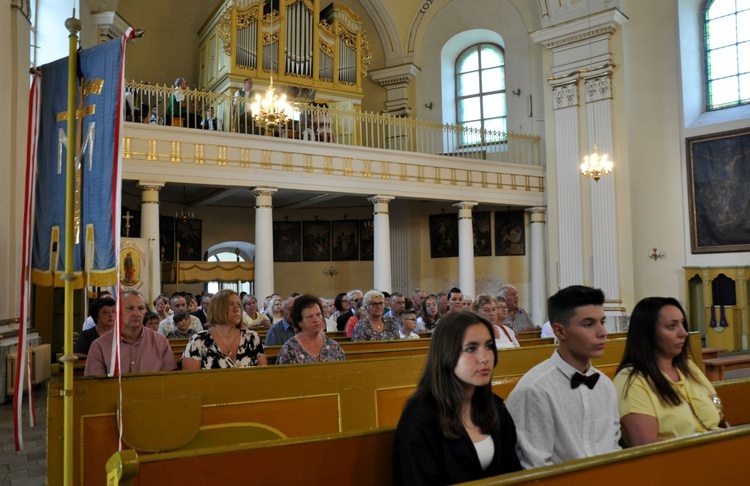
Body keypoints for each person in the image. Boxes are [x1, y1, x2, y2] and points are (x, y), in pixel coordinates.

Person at [393, 311, 522, 484]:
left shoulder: (495, 407)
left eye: (489, 346)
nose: (484, 358)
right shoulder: (421, 415)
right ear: (447, 353)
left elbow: (512, 473)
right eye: (471, 349)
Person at [505, 285, 621, 469]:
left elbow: (614, 450)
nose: (602, 332)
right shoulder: (535, 390)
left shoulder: (605, 385)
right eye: (588, 324)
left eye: (602, 322)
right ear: (559, 331)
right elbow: (536, 470)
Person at [613, 297, 725, 446]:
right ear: (648, 333)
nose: (684, 333)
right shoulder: (631, 381)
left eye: (682, 324)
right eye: (672, 326)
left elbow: (721, 420)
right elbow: (646, 447)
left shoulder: (688, 367)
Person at [85, 291, 177, 375]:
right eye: (130, 308)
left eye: (141, 308)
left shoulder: (160, 342)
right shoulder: (99, 346)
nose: (136, 313)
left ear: (145, 311)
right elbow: (95, 386)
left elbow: (169, 380)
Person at [182, 289, 267, 369]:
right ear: (217, 309)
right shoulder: (198, 341)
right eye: (231, 304)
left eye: (238, 304)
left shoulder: (253, 338)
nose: (236, 309)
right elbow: (190, 382)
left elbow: (264, 376)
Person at [276, 294, 346, 364]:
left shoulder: (334, 346)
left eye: (318, 314)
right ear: (299, 322)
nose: (316, 320)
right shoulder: (289, 349)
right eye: (310, 317)